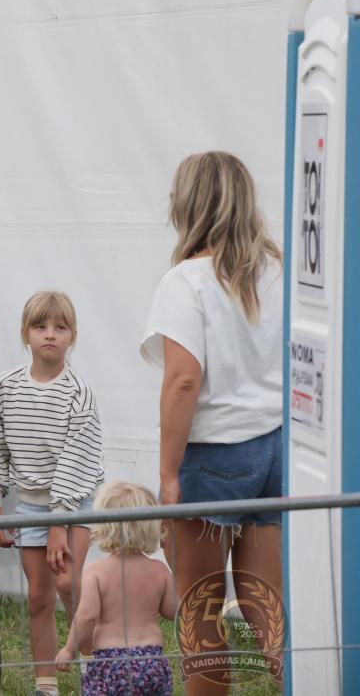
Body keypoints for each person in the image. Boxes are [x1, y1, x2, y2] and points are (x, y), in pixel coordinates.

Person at [140, 151, 284, 695]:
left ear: (189, 204)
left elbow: (183, 380)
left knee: (200, 613)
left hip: (213, 456)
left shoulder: (186, 280)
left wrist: (167, 475)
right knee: (267, 606)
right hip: (275, 447)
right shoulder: (277, 271)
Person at [0, 290, 104, 696]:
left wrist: (57, 524)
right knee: (38, 596)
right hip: (29, 505)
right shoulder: (5, 387)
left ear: (73, 336)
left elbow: (76, 461)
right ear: (25, 333)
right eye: (40, 326)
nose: (50, 334)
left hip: (74, 502)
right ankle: (46, 685)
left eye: (60, 327)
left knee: (68, 584)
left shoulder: (80, 392)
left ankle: (95, 673)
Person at [56, 481, 178, 696]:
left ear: (104, 525)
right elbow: (172, 611)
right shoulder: (159, 570)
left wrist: (69, 649)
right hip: (152, 660)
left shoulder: (96, 572)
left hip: (111, 661)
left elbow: (87, 616)